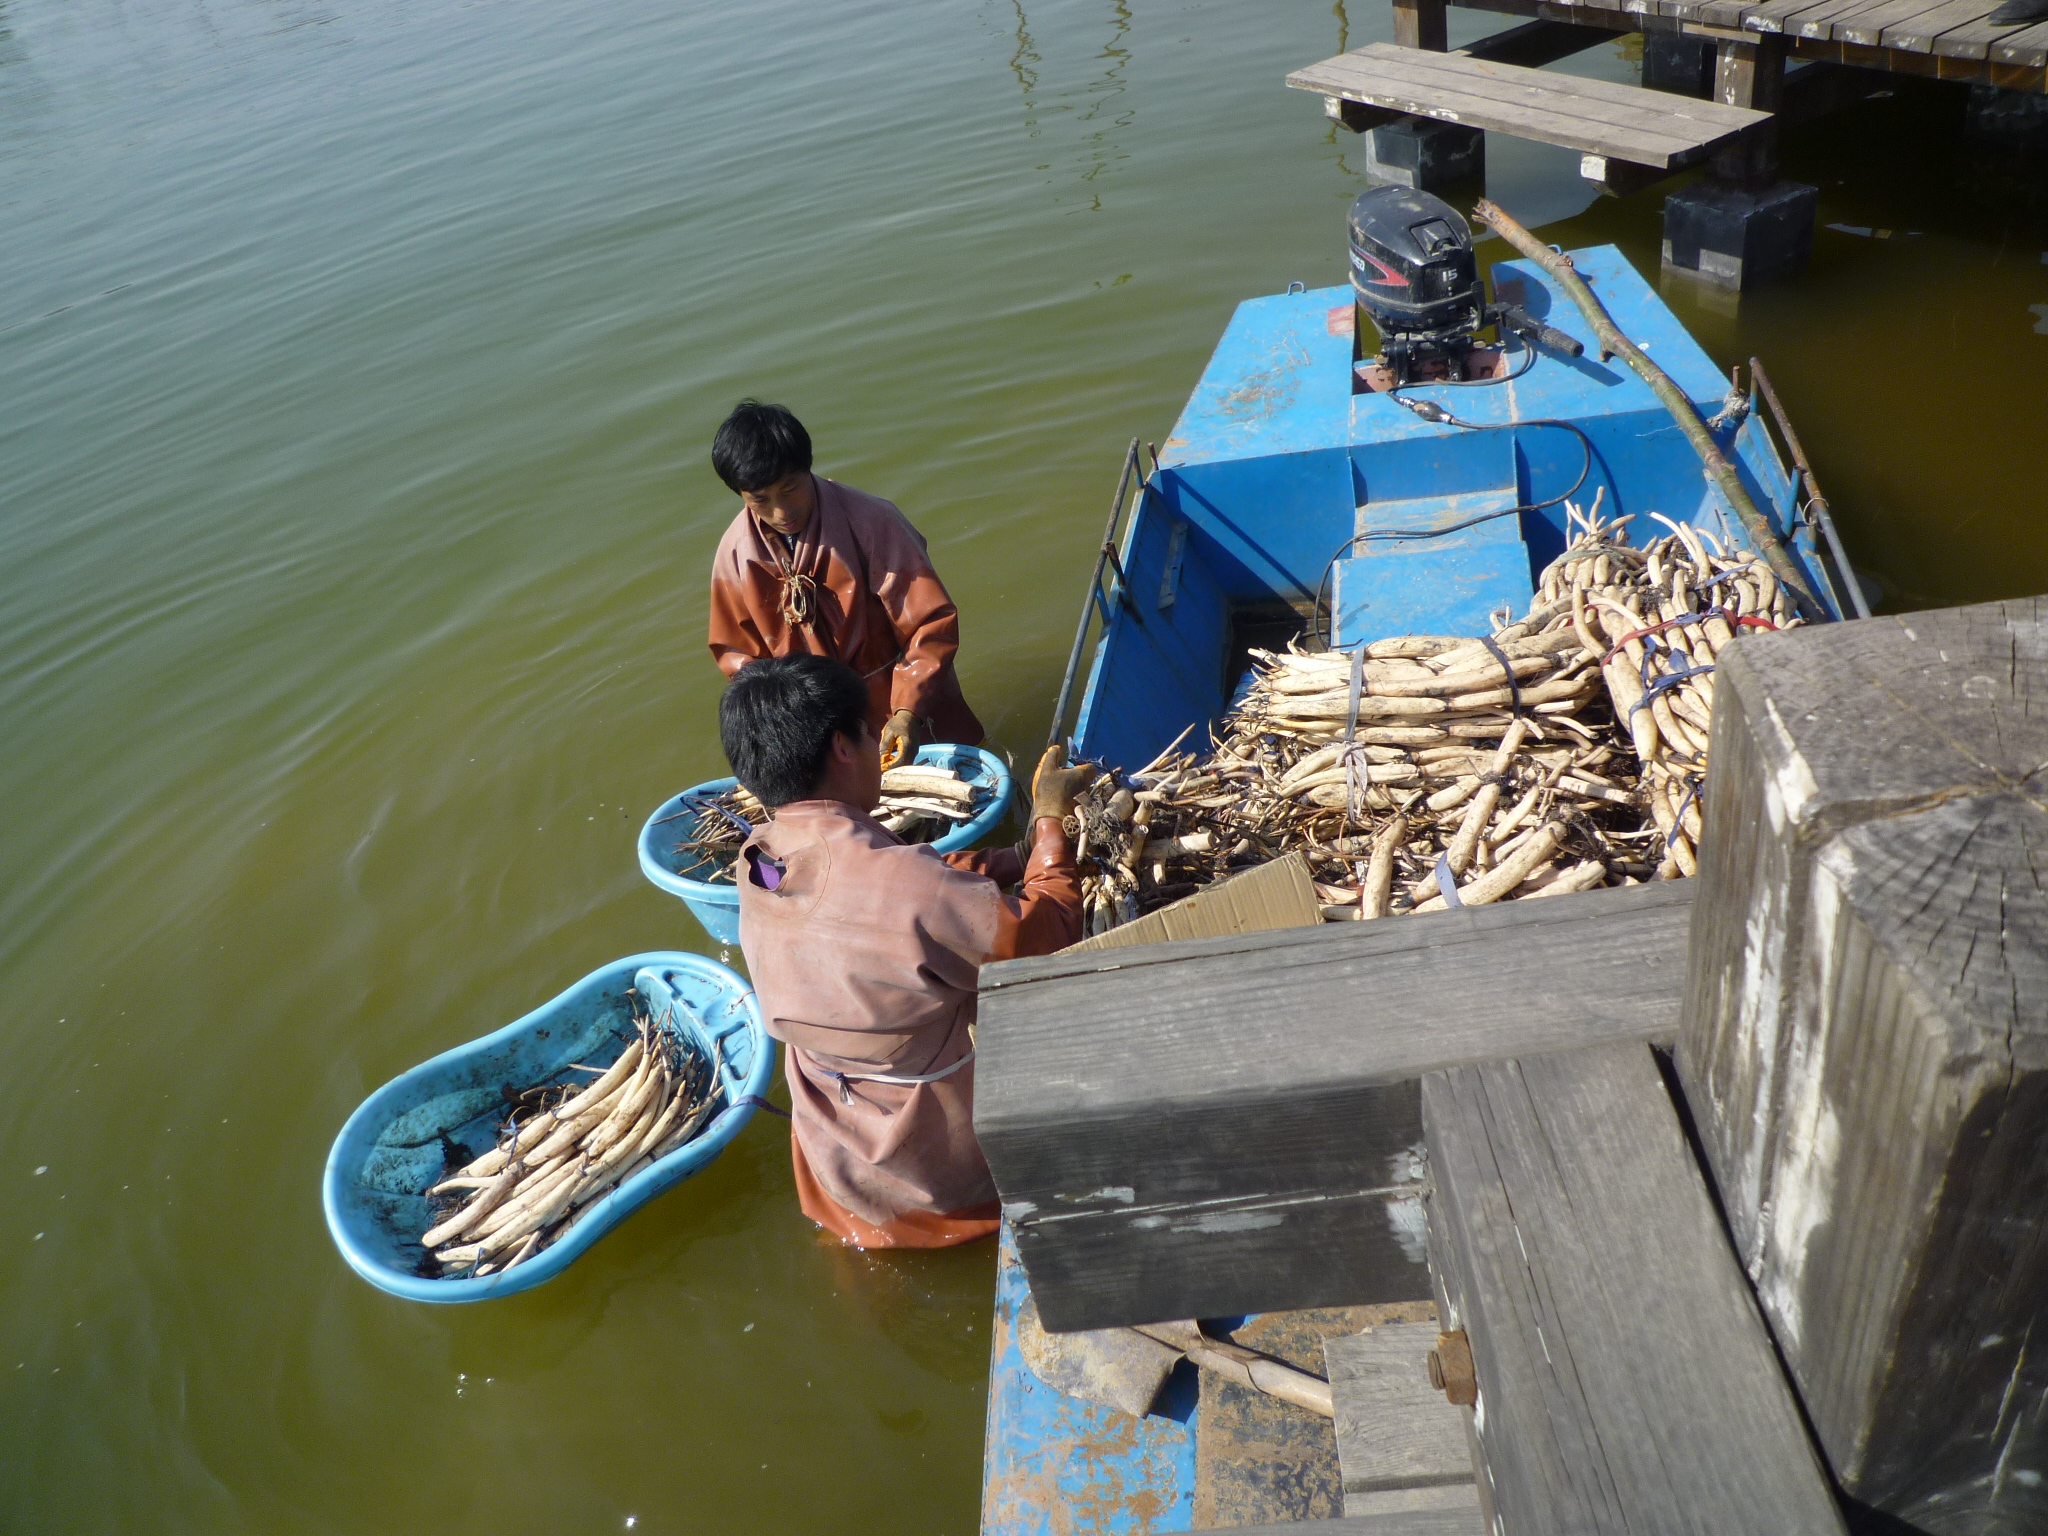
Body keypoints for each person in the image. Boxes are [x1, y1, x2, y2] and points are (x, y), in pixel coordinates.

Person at [718, 654, 1094, 1248]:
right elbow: (1045, 933)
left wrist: (1008, 859)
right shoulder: (906, 892)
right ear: (844, 747)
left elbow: (904, 881)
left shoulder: (759, 859)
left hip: (835, 1153)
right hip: (930, 1169)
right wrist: (1050, 827)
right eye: (869, 733)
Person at [705, 399, 983, 769]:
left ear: (808, 468)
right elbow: (742, 662)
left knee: (949, 785)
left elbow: (930, 623)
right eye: (761, 500)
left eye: (790, 490)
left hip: (900, 695)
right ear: (740, 495)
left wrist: (907, 711)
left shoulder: (873, 522)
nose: (781, 512)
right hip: (820, 720)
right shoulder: (734, 555)